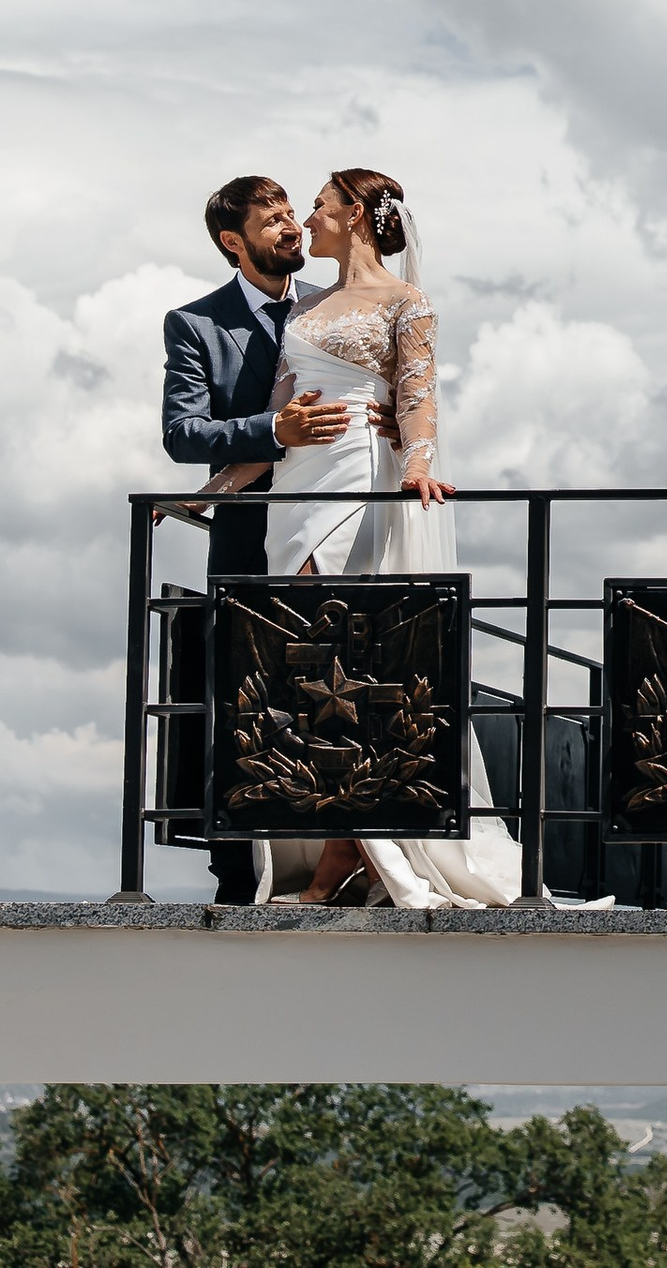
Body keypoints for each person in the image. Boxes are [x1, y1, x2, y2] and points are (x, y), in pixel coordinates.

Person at [202, 168, 520, 910]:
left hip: (358, 479)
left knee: (350, 657)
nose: (304, 218)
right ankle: (344, 843)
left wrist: (415, 466)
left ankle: (347, 850)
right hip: (296, 491)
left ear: (354, 214)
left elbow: (417, 391)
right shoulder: (307, 307)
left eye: (316, 205)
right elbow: (281, 411)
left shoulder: (406, 300)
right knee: (306, 666)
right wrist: (207, 492)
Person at [161, 175, 357, 904]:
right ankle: (238, 872)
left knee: (346, 685)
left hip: (338, 523)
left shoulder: (335, 308)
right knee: (246, 700)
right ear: (232, 242)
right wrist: (274, 431)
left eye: (291, 215)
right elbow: (183, 434)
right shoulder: (195, 324)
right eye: (271, 221)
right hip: (249, 539)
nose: (291, 228)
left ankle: (354, 852)